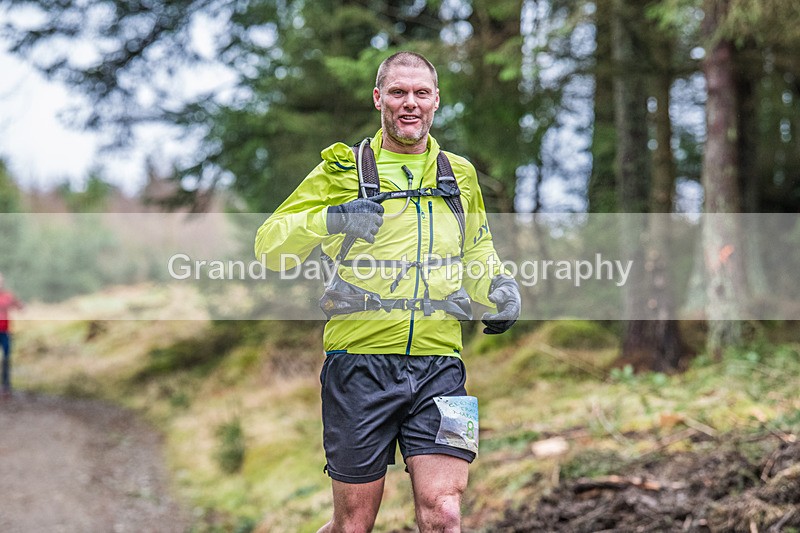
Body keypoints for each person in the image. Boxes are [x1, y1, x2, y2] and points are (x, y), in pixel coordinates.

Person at [255, 51, 521, 532]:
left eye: (421, 93)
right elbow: (269, 246)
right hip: (358, 365)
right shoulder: (343, 169)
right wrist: (331, 218)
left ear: (437, 101)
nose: (410, 103)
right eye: (398, 92)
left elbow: (476, 247)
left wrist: (498, 286)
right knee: (353, 523)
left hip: (441, 365)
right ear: (379, 98)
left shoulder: (458, 174)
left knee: (444, 511)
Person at [0, 273, 24, 398]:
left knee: (6, 358)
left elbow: (20, 307)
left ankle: (6, 385)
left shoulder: (8, 296)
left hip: (4, 332)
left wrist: (21, 306)